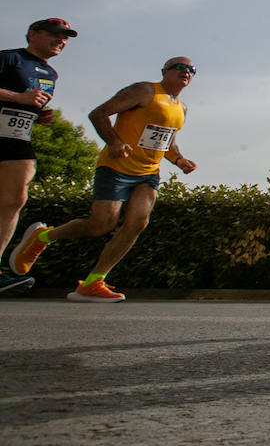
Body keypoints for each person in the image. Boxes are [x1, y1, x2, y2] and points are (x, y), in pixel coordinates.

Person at [10, 58, 197, 302]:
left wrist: (180, 160)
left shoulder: (181, 108)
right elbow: (98, 114)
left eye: (191, 70)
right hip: (116, 167)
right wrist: (115, 142)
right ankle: (42, 237)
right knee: (100, 225)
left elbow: (167, 140)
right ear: (164, 72)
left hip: (148, 173)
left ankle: (93, 281)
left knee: (138, 222)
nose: (186, 72)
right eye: (179, 67)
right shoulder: (145, 90)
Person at [0, 18, 77, 295]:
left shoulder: (51, 74)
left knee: (14, 200)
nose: (61, 41)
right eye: (56, 35)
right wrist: (17, 98)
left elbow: (30, 101)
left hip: (18, 137)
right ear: (33, 33)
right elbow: (18, 97)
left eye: (65, 38)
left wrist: (39, 114)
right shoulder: (9, 59)